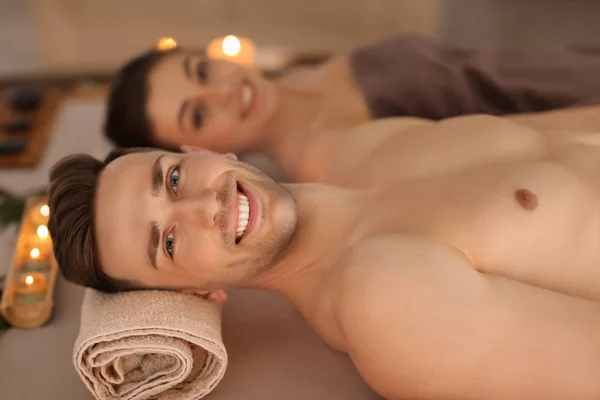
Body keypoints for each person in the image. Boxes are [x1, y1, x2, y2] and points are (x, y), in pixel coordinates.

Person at [49, 112, 600, 399]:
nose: (202, 207)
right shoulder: (385, 300)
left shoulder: (364, 148)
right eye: (167, 243)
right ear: (193, 294)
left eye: (171, 179)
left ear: (199, 152)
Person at [104, 35, 600, 182]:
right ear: (196, 150)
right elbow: (520, 140)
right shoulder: (331, 157)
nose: (223, 92)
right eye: (198, 115)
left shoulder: (298, 71)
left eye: (203, 72)